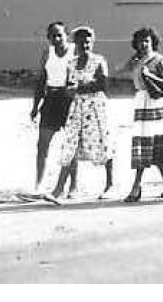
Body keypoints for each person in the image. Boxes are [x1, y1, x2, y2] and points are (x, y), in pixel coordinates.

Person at [50, 25, 114, 201]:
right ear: (75, 43)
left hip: (95, 108)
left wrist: (82, 87)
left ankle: (110, 185)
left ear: (92, 42)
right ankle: (59, 189)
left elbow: (104, 85)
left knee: (103, 143)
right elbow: (67, 86)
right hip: (77, 108)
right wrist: (70, 91)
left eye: (88, 42)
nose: (85, 45)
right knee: (70, 144)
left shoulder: (99, 61)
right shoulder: (71, 64)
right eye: (81, 42)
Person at [123, 27, 163, 202]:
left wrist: (150, 76)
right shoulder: (137, 61)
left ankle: (138, 186)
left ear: (153, 42)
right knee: (143, 144)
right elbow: (119, 69)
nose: (144, 44)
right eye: (140, 41)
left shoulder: (158, 59)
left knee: (155, 143)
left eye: (147, 40)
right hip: (141, 102)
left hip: (155, 103)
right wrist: (132, 61)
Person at [29, 21, 74, 197]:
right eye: (52, 36)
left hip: (69, 100)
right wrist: (35, 106)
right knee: (42, 145)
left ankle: (73, 186)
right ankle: (38, 184)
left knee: (71, 145)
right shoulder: (47, 54)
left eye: (59, 35)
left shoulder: (74, 51)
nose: (56, 39)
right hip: (51, 99)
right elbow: (41, 81)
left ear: (66, 35)